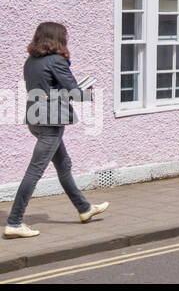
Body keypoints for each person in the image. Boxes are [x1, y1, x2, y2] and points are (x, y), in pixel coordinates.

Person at [6, 22, 109, 239]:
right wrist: (87, 91)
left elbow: (46, 90)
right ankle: (14, 223)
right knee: (35, 171)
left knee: (64, 165)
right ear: (58, 39)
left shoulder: (30, 62)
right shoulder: (57, 61)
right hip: (50, 122)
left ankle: (84, 208)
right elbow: (73, 91)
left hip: (35, 118)